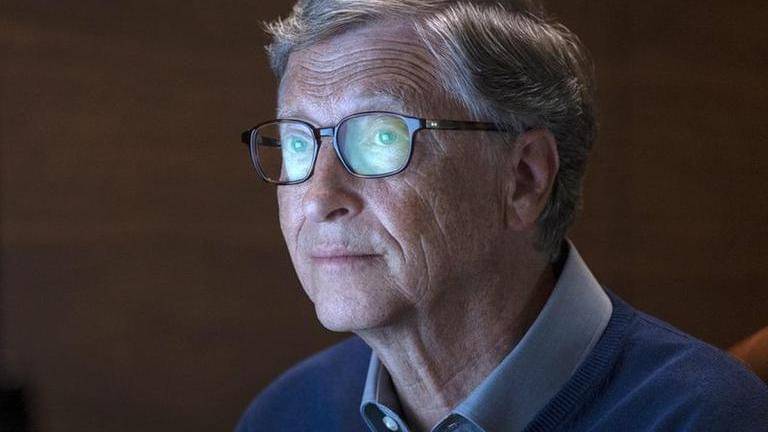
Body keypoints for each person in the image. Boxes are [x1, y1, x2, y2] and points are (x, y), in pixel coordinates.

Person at [235, 1, 768, 431]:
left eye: (381, 137)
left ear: (523, 179)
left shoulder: (709, 417)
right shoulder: (284, 415)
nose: (318, 198)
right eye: (299, 144)